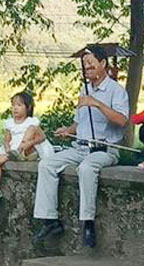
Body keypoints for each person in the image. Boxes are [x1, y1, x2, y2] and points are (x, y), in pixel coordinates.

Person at [33, 45, 129, 248]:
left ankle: (87, 223)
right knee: (46, 164)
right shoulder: (85, 90)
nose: (87, 68)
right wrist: (68, 130)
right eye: (85, 65)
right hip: (81, 147)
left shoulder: (116, 91)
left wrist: (97, 103)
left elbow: (121, 120)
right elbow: (80, 123)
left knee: (86, 168)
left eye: (91, 64)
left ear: (103, 63)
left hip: (105, 149)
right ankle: (50, 219)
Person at [0, 92, 54, 204]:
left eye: (19, 105)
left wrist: (28, 143)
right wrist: (7, 148)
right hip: (13, 149)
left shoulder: (31, 122)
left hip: (28, 149)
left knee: (31, 130)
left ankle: (20, 152)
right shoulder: (10, 123)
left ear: (28, 107)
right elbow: (7, 140)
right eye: (13, 105)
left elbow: (42, 137)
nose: (15, 108)